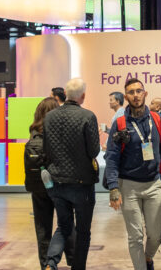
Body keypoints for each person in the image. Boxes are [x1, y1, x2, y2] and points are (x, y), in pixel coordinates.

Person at [106, 78, 161, 270]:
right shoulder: (120, 123)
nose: (135, 95)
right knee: (135, 236)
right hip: (128, 186)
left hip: (154, 184)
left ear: (145, 93)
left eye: (139, 91)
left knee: (155, 235)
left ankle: (147, 258)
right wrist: (113, 187)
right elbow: (111, 157)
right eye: (131, 92)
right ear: (126, 96)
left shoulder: (158, 120)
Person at [43, 78, 100, 270]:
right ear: (82, 96)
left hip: (58, 181)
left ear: (65, 94)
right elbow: (94, 151)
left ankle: (51, 263)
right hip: (82, 183)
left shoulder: (49, 117)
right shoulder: (87, 117)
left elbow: (47, 149)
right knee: (83, 232)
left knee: (64, 226)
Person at [25, 97, 74, 270]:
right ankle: (73, 260)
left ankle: (46, 265)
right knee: (66, 224)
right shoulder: (59, 131)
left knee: (42, 228)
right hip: (59, 186)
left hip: (38, 187)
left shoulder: (33, 134)